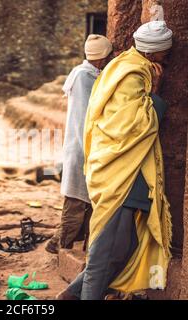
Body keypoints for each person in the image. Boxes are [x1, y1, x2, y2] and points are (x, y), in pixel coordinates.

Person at [58, 21, 173, 300]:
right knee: (108, 249)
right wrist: (156, 96)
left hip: (126, 170)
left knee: (127, 244)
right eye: (165, 53)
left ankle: (72, 294)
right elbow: (131, 126)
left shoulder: (124, 64)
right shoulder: (133, 74)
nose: (166, 58)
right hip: (120, 172)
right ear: (153, 53)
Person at [46, 35, 113, 254]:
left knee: (85, 201)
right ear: (102, 58)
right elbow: (89, 115)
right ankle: (59, 244)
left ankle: (69, 242)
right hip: (82, 146)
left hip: (81, 145)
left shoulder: (85, 73)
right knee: (75, 202)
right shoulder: (85, 78)